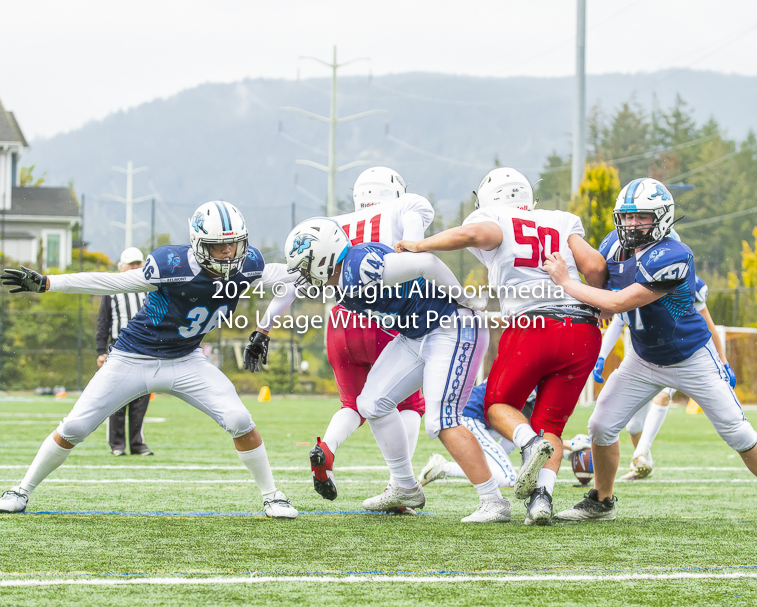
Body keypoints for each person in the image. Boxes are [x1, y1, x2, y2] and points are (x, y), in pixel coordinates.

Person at [0, 201, 298, 519]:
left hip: (186, 360)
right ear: (198, 244)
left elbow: (291, 278)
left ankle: (272, 496)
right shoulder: (172, 265)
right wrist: (49, 282)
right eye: (218, 246)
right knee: (75, 426)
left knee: (239, 420)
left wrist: (264, 329)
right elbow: (113, 282)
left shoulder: (248, 264)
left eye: (233, 244)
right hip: (133, 357)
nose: (228, 253)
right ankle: (21, 490)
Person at [542, 177, 757, 523]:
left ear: (663, 217)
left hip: (690, 357)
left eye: (640, 217)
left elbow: (620, 300)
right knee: (601, 426)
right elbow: (607, 298)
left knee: (737, 429)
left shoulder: (674, 255)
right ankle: (602, 500)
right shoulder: (613, 245)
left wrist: (567, 282)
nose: (630, 224)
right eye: (626, 217)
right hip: (643, 358)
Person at [395, 167, 606, 525]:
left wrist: (420, 244)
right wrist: (593, 299)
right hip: (583, 329)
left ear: (487, 200)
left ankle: (527, 444)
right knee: (551, 424)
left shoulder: (495, 217)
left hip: (533, 322)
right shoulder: (561, 219)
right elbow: (596, 266)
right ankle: (541, 501)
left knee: (496, 406)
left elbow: (478, 232)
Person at [281, 217, 509, 522]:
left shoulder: (358, 268)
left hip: (451, 323)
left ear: (323, 258)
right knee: (371, 402)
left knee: (441, 420)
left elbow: (426, 262)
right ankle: (404, 486)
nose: (305, 276)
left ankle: (493, 501)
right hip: (417, 333)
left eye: (306, 266)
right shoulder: (344, 281)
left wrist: (463, 297)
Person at [257, 167, 432, 501]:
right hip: (387, 319)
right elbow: (414, 253)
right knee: (409, 402)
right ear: (395, 190)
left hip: (340, 321)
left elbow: (294, 279)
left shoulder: (333, 224)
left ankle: (328, 448)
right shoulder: (404, 207)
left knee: (352, 403)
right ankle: (399, 484)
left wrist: (264, 325)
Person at [594, 271, 736, 480]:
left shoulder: (686, 281)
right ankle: (645, 462)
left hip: (675, 354)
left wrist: (724, 361)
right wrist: (601, 356)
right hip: (642, 358)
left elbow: (708, 323)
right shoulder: (630, 278)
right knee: (633, 425)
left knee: (662, 396)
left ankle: (641, 453)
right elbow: (618, 321)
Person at [418, 379, 591, 489]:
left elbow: (530, 428)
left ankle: (447, 467)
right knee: (508, 479)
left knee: (521, 430)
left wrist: (567, 449)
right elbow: (542, 429)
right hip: (470, 417)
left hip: (485, 420)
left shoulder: (531, 373)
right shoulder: (539, 379)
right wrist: (571, 445)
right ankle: (445, 468)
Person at [96, 246, 154, 457]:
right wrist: (101, 351)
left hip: (146, 347)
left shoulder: (150, 288)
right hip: (119, 347)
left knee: (141, 398)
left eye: (138, 263)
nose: (134, 267)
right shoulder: (113, 290)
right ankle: (117, 444)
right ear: (121, 267)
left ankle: (137, 444)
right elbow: (104, 322)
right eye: (131, 264)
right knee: (117, 398)